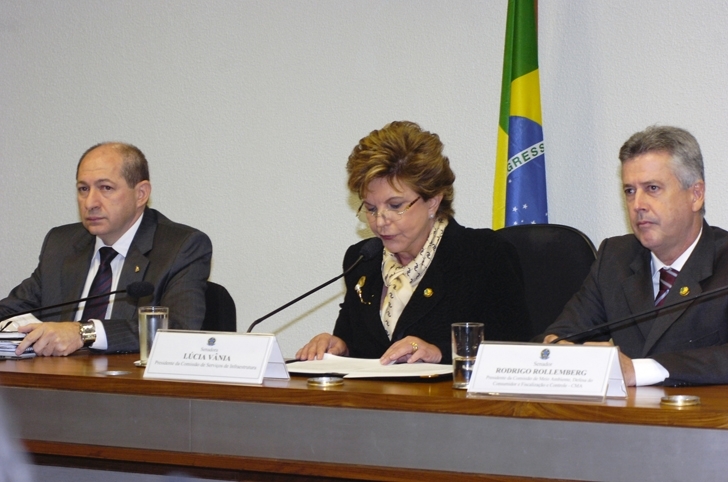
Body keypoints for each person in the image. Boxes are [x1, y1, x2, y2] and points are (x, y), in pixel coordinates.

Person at [296, 121, 529, 364]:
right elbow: (357, 344)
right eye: (371, 208)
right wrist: (339, 347)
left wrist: (439, 352)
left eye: (395, 206)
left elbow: (515, 348)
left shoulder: (482, 254)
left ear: (433, 201)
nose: (380, 221)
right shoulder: (363, 260)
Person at [543, 125, 728, 387]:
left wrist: (640, 370)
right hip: (624, 423)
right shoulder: (614, 258)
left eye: (652, 188)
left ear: (696, 195)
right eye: (630, 191)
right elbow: (562, 334)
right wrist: (558, 349)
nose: (638, 204)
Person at [0, 142, 212, 356]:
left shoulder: (182, 247)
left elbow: (179, 329)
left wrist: (84, 332)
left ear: (141, 194)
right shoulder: (61, 244)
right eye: (83, 189)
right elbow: (11, 309)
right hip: (56, 382)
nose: (90, 202)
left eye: (106, 188)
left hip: (130, 385)